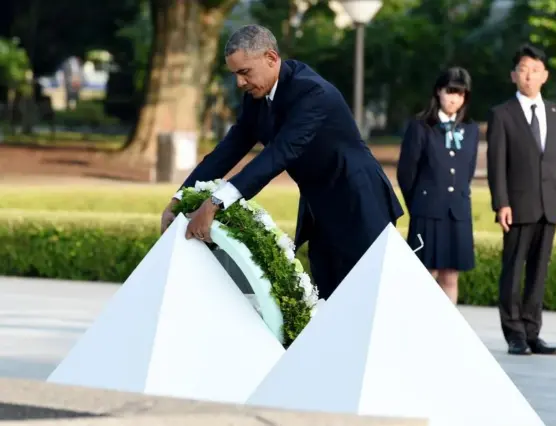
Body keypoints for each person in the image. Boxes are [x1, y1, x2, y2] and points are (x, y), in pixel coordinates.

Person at [160, 24, 404, 301]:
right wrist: (179, 197)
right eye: (235, 74)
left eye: (245, 72)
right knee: (329, 301)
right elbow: (227, 151)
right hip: (319, 209)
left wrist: (216, 203)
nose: (239, 82)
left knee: (368, 301)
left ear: (271, 58)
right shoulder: (256, 97)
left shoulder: (313, 93)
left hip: (360, 203)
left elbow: (279, 154)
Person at [486, 43, 556, 356]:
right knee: (514, 271)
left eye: (535, 70)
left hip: (550, 204)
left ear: (545, 75)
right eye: (523, 69)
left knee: (538, 272)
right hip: (517, 206)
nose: (529, 76)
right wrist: (501, 203)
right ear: (513, 75)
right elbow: (496, 164)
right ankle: (515, 334)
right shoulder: (502, 114)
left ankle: (533, 332)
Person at [397, 67, 479, 305]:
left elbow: (468, 170)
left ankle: (446, 336)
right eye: (450, 91)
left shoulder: (470, 129)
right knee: (425, 275)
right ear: (438, 92)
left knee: (450, 277)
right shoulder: (421, 126)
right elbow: (406, 173)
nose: (454, 98)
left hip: (458, 213)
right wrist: (420, 204)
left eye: (460, 94)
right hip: (427, 212)